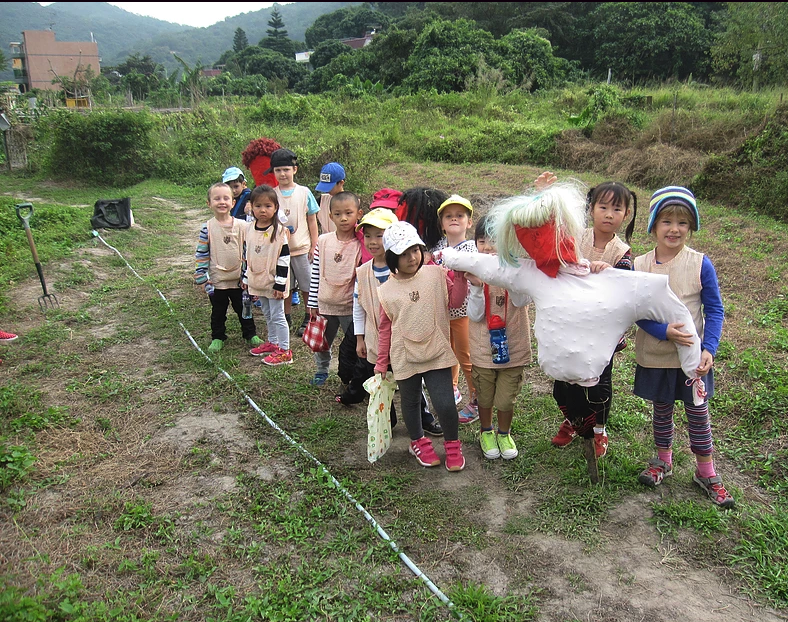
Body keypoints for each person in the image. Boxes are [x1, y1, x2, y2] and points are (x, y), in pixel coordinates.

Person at [633, 186, 733, 508]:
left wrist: (710, 349)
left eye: (682, 223)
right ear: (653, 226)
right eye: (666, 221)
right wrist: (663, 331)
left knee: (698, 412)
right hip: (657, 354)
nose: (674, 229)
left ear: (691, 228)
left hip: (693, 359)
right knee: (661, 410)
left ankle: (706, 472)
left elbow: (714, 309)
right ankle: (664, 460)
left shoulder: (701, 264)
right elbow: (638, 311)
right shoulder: (641, 265)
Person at [336, 208, 443, 436]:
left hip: (405, 340)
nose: (373, 242)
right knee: (382, 382)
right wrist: (360, 338)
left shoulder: (407, 271)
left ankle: (424, 418)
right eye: (368, 236)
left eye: (379, 235)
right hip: (376, 341)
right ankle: (388, 420)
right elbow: (359, 306)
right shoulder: (364, 272)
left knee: (412, 383)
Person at [551, 182, 638, 458]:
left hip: (603, 334)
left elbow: (624, 284)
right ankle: (574, 420)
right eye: (603, 207)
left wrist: (609, 271)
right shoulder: (578, 237)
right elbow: (561, 257)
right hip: (573, 325)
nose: (609, 214)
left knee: (599, 384)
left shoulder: (621, 250)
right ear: (591, 210)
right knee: (564, 381)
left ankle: (599, 430)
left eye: (617, 209)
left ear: (626, 215)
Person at [375, 221, 469, 471]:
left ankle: (452, 443)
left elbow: (455, 302)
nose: (411, 258)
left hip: (436, 349)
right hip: (404, 353)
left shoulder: (436, 275)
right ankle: (417, 440)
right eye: (403, 254)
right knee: (410, 400)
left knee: (445, 402)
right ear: (392, 257)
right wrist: (381, 362)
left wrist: (459, 277)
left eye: (414, 250)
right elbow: (385, 328)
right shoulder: (386, 291)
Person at [465, 216, 531, 459]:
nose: (488, 246)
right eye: (481, 241)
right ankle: (486, 431)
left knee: (505, 399)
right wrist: (475, 287)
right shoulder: (474, 270)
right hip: (483, 348)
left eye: (494, 240)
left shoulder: (519, 267)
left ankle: (504, 433)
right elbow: (475, 314)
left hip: (513, 345)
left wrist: (509, 278)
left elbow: (522, 300)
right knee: (484, 395)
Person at [194, 182, 263, 353]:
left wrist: (251, 274)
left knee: (245, 309)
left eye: (226, 198)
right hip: (218, 280)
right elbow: (202, 253)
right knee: (218, 311)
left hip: (240, 279)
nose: (222, 202)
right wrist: (201, 275)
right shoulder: (207, 228)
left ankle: (250, 334)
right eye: (217, 198)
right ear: (209, 203)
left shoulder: (244, 226)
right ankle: (218, 336)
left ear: (233, 202)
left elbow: (251, 251)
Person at [306, 191, 364, 386]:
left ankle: (356, 375)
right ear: (330, 216)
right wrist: (312, 302)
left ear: (359, 214)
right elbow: (316, 273)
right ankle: (322, 370)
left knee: (354, 344)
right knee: (322, 342)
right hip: (325, 304)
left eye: (349, 213)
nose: (344, 218)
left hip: (350, 307)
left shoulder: (361, 244)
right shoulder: (323, 241)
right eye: (338, 214)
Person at [431, 194, 478, 419]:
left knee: (465, 356)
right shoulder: (437, 247)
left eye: (460, 215)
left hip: (463, 313)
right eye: (448, 216)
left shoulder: (471, 248)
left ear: (469, 222)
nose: (454, 219)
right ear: (441, 223)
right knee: (446, 352)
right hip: (441, 312)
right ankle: (452, 387)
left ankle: (476, 400)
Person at [266, 148, 320, 334]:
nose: (283, 174)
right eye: (278, 170)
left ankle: (309, 317)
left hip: (303, 248)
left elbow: (312, 219)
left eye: (286, 169)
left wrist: (314, 244)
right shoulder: (272, 195)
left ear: (294, 170)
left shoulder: (304, 192)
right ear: (273, 173)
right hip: (281, 251)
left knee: (307, 285)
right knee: (285, 286)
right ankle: (285, 317)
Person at [244, 185, 292, 365]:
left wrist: (280, 284)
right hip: (258, 280)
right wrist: (246, 278)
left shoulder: (279, 232)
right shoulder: (249, 228)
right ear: (251, 207)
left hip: (274, 282)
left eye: (268, 206)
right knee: (267, 313)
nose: (263, 210)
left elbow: (284, 259)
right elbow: (247, 254)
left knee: (278, 314)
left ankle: (285, 350)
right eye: (258, 206)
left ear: (276, 208)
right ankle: (273, 342)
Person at [314, 162, 346, 234]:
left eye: (330, 187)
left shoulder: (352, 202)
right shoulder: (320, 201)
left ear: (341, 183)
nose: (327, 190)